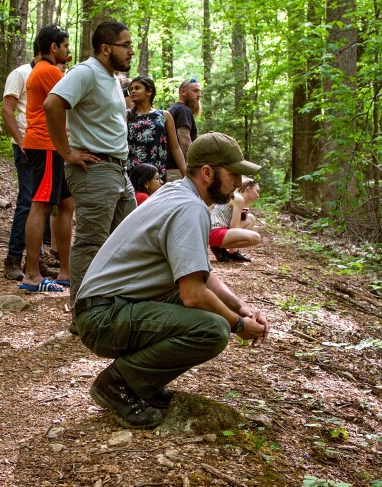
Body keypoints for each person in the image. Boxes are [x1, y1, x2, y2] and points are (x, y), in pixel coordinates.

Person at [74, 132, 269, 429]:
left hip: (108, 307)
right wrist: (238, 325)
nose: (238, 182)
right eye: (233, 174)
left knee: (215, 314)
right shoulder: (189, 208)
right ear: (207, 173)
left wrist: (240, 307)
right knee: (214, 328)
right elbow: (193, 294)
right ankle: (117, 385)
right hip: (103, 317)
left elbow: (200, 274)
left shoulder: (178, 192)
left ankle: (141, 383)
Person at [45, 21, 135, 312]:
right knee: (90, 243)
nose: (131, 51)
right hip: (94, 169)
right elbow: (52, 104)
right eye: (126, 45)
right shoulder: (86, 72)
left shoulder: (111, 77)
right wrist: (66, 152)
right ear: (106, 48)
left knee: (128, 240)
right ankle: (83, 316)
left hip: (118, 170)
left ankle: (111, 305)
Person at [18, 25, 73, 293]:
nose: (68, 50)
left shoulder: (42, 71)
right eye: (65, 45)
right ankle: (31, 275)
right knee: (40, 205)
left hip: (54, 146)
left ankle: (66, 270)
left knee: (66, 204)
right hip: (46, 145)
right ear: (54, 47)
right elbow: (72, 102)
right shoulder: (48, 71)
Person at [0, 44, 58, 281]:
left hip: (45, 147)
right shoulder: (21, 73)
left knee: (42, 203)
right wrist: (20, 140)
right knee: (28, 201)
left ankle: (34, 259)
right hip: (27, 146)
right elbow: (7, 110)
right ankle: (13, 259)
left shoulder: (50, 74)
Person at [126, 76, 186, 181]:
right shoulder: (127, 116)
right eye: (131, 89)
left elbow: (175, 148)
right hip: (134, 174)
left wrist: (186, 177)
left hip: (158, 175)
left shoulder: (164, 115)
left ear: (149, 92)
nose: (133, 91)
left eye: (137, 88)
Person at [210, 177, 261, 262]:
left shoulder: (237, 197)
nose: (258, 195)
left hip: (219, 231)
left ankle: (230, 251)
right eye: (257, 191)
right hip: (214, 232)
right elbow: (234, 227)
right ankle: (220, 247)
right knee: (256, 238)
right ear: (248, 188)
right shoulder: (238, 199)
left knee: (250, 219)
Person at [165, 79, 202, 182]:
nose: (199, 95)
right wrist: (194, 168)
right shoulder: (183, 111)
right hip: (177, 172)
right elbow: (184, 141)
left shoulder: (172, 109)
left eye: (200, 91)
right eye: (195, 91)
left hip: (169, 169)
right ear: (183, 92)